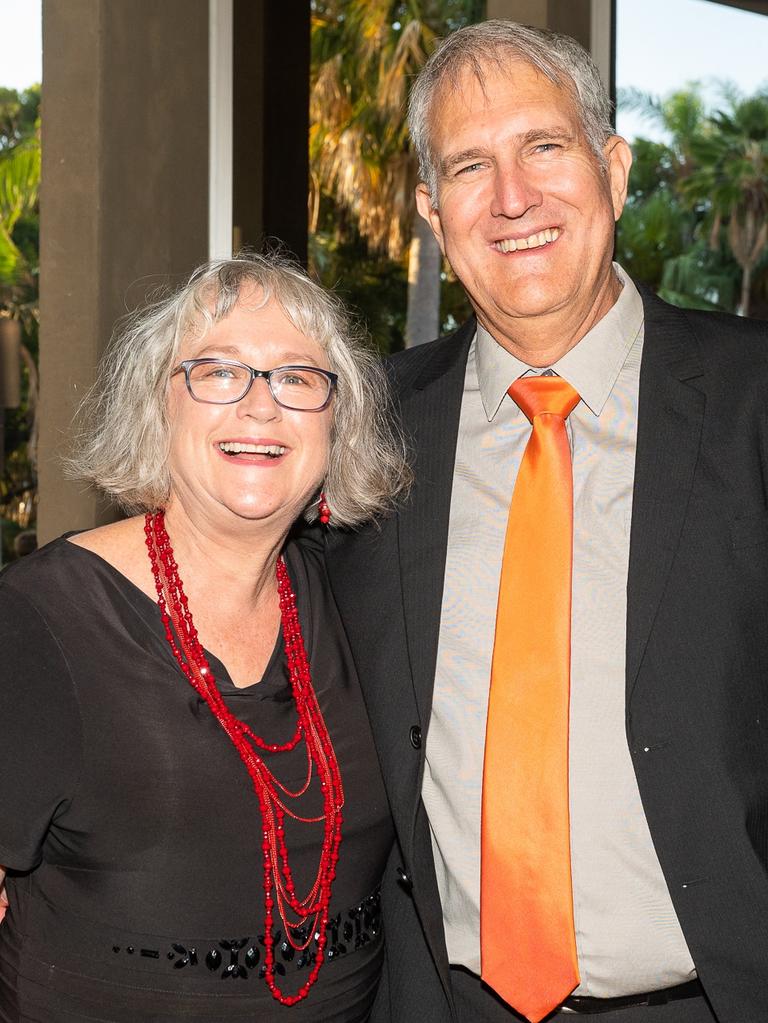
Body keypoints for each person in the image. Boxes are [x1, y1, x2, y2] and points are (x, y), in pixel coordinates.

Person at [324, 19, 768, 1023]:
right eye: (471, 165)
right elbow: (231, 605)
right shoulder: (365, 431)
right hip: (443, 999)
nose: (513, 197)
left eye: (545, 147)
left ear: (613, 170)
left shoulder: (752, 405)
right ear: (435, 213)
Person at [0, 253, 411, 1022]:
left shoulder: (355, 600)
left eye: (297, 377)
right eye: (219, 372)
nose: (262, 407)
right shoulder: (41, 619)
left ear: (336, 420)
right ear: (157, 406)